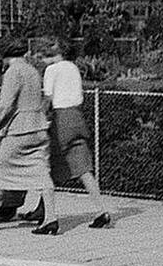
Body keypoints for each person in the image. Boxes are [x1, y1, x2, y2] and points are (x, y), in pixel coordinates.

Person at [0, 39, 60, 234]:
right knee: (41, 171)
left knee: (2, 169)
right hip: (39, 128)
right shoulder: (33, 71)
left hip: (20, 130)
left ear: (5, 57)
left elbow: (7, 104)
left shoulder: (13, 72)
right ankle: (50, 218)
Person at [26, 39, 111, 229]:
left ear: (55, 54)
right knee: (83, 169)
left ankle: (49, 217)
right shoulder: (74, 68)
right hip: (77, 117)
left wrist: (36, 119)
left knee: (45, 166)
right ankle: (101, 211)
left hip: (61, 119)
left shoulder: (52, 70)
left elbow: (48, 98)